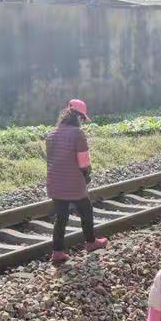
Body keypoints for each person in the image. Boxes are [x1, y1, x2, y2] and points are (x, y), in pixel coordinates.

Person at [46, 99, 108, 264]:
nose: (82, 123)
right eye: (82, 119)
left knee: (61, 216)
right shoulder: (78, 134)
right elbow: (84, 163)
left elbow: (51, 161)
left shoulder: (51, 134)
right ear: (78, 117)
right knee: (86, 210)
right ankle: (90, 242)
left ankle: (57, 252)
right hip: (73, 183)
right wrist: (87, 175)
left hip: (55, 183)